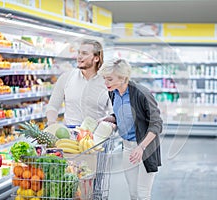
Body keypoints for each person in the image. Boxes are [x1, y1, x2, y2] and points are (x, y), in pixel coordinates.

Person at [98, 58, 163, 200]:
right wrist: (111, 118)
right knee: (133, 193)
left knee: (142, 194)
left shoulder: (141, 94)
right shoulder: (113, 92)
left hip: (145, 148)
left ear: (123, 78)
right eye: (104, 79)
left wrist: (141, 147)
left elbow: (157, 123)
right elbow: (124, 113)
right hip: (127, 148)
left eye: (109, 79)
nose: (106, 83)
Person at [45, 39, 112, 126]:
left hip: (96, 135)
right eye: (79, 53)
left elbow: (113, 112)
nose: (79, 57)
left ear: (96, 58)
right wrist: (51, 122)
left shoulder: (107, 82)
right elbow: (53, 105)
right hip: (71, 134)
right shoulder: (66, 77)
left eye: (84, 53)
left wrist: (107, 123)